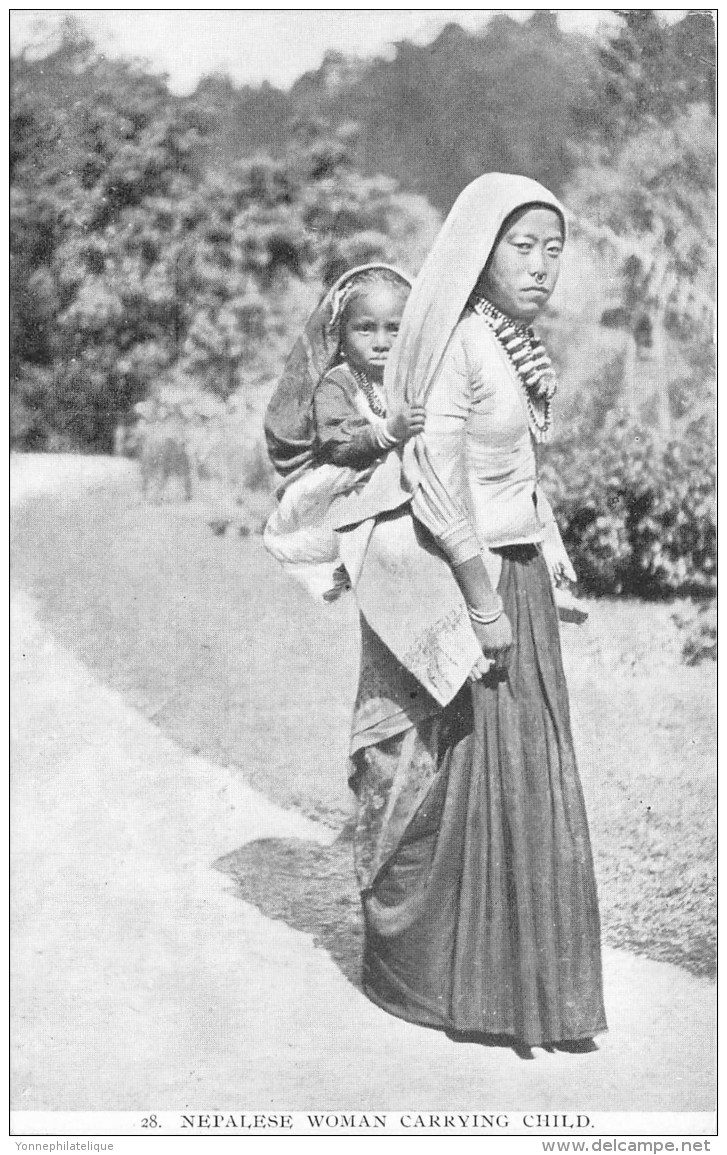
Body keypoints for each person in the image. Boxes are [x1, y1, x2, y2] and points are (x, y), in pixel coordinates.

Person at [332, 173, 607, 1055]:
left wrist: (550, 559)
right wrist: (483, 601)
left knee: (524, 771)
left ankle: (528, 990)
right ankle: (438, 975)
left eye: (552, 249)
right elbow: (434, 477)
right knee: (462, 773)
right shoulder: (457, 342)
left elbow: (516, 474)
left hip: (513, 576)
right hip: (467, 581)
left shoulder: (511, 343)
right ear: (479, 253)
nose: (539, 266)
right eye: (521, 247)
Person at [263, 264, 424, 598]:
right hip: (349, 479)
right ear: (341, 336)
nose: (381, 343)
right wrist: (387, 433)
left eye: (395, 330)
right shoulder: (338, 384)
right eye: (365, 329)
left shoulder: (412, 381)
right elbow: (340, 443)